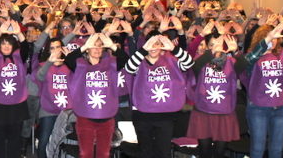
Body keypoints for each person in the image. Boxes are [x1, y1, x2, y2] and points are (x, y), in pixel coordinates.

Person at [125, 27, 194, 158]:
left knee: (163, 153)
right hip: (142, 114)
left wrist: (173, 48)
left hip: (165, 116)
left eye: (157, 44)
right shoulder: (139, 61)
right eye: (150, 44)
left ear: (163, 47)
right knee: (145, 152)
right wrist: (144, 49)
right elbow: (129, 68)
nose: (153, 47)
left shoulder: (172, 60)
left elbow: (189, 63)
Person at [239, 21, 283, 158]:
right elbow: (249, 60)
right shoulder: (252, 57)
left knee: (277, 149)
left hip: (281, 108)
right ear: (261, 39)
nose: (273, 42)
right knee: (257, 148)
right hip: (258, 108)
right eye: (269, 38)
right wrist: (267, 38)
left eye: (275, 39)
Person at [65, 30, 126, 158]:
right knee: (85, 153)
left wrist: (111, 45)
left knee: (103, 154)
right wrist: (86, 45)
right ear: (87, 49)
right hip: (85, 117)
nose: (97, 49)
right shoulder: (80, 65)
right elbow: (69, 59)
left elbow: (125, 59)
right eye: (94, 46)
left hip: (107, 118)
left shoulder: (110, 64)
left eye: (100, 46)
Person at [187, 33, 239, 158]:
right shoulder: (201, 62)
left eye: (220, 46)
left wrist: (236, 51)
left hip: (224, 113)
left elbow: (244, 66)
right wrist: (211, 51)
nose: (217, 48)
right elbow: (194, 66)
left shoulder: (231, 62)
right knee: (204, 152)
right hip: (203, 112)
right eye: (212, 45)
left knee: (219, 153)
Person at [0, 21, 30, 158]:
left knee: (15, 139)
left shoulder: (19, 56)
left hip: (16, 105)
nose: (6, 46)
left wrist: (18, 33)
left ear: (13, 45)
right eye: (3, 43)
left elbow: (25, 47)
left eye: (9, 43)